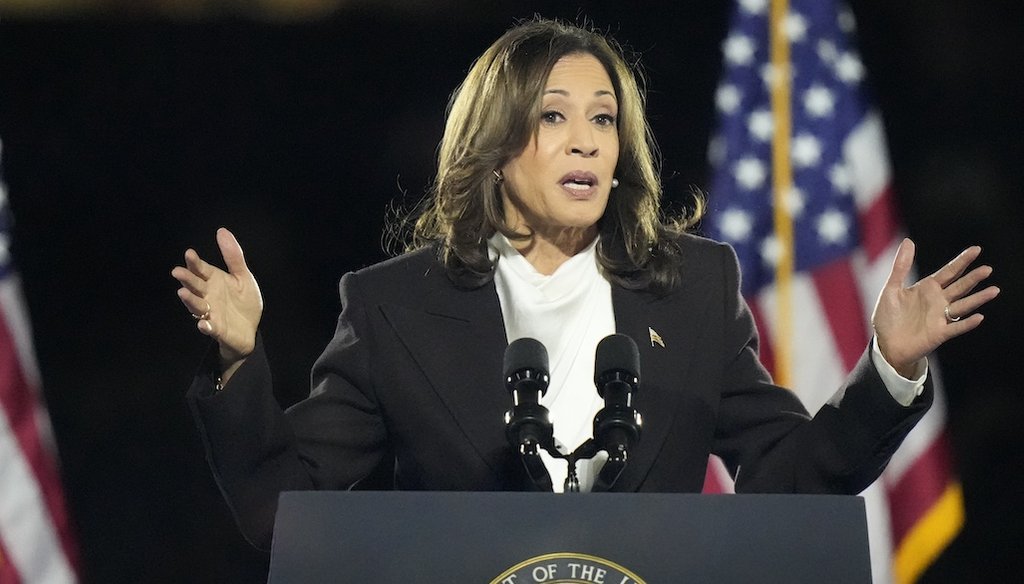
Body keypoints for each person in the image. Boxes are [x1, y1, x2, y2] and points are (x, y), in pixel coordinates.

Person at [172, 18, 998, 551]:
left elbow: (790, 476)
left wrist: (887, 368)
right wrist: (241, 362)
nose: (586, 142)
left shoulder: (694, 287)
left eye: (603, 119)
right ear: (496, 146)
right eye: (554, 117)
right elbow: (286, 512)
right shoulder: (393, 308)